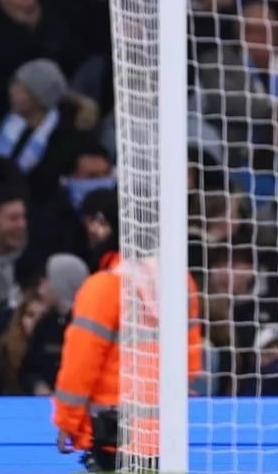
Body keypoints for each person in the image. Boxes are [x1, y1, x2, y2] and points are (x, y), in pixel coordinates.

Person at [52, 188, 205, 472]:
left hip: (112, 435)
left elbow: (79, 366)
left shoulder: (103, 288)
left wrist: (67, 422)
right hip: (166, 436)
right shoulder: (181, 283)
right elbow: (191, 362)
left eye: (100, 222)